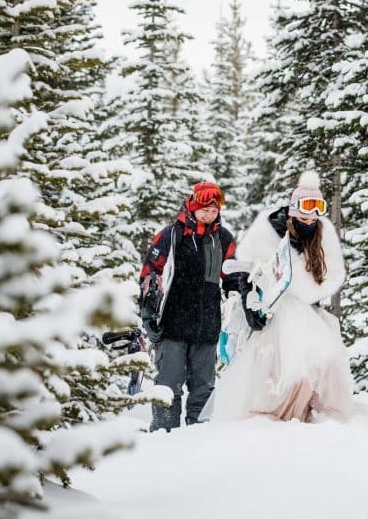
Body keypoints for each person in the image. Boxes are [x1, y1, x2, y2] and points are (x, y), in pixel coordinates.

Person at [204, 171, 354, 423]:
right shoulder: (271, 229)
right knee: (277, 366)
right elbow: (247, 271)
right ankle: (273, 414)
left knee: (322, 360)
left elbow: (326, 276)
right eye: (307, 206)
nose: (311, 214)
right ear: (294, 207)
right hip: (274, 311)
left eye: (318, 207)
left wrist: (310, 292)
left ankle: (313, 411)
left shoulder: (321, 233)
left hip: (308, 313)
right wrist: (251, 305)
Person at [139, 181, 240, 431]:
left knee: (203, 389)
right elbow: (150, 273)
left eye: (214, 210)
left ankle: (199, 438)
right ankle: (164, 436)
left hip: (206, 327)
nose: (209, 213)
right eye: (205, 208)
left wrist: (241, 292)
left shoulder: (223, 239)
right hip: (172, 325)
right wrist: (148, 313)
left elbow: (232, 277)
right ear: (193, 206)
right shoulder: (172, 235)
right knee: (168, 386)